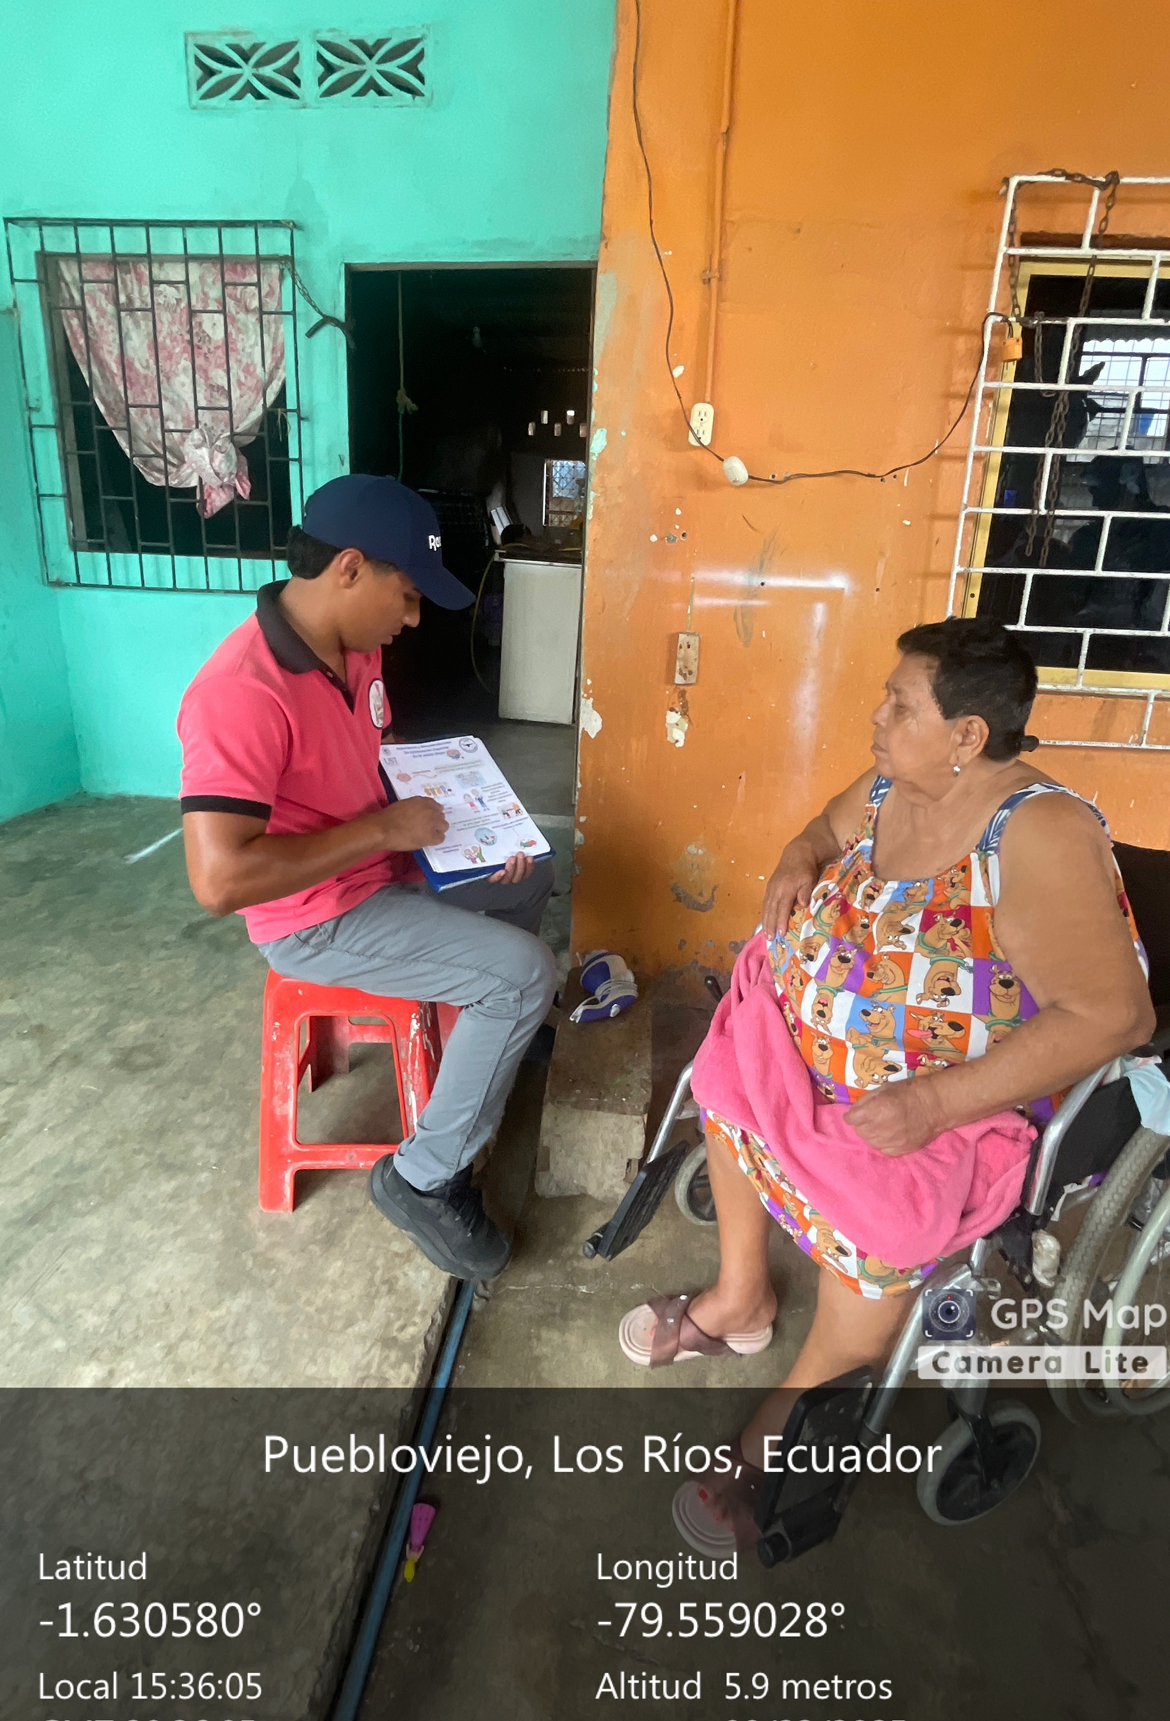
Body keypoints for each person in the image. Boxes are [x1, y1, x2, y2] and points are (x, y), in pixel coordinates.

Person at [616, 617, 1153, 1549]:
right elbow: (821, 831)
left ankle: (779, 1428)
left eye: (899, 704)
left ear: (967, 735)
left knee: (885, 1221)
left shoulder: (1040, 833)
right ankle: (741, 1298)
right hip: (807, 1055)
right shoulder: (890, 785)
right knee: (732, 1067)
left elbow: (1116, 1017)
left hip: (937, 1105)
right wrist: (797, 859)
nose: (877, 716)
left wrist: (933, 1102)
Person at [178, 473, 558, 1282]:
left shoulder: (358, 647)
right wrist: (383, 830)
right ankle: (424, 1178)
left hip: (382, 866)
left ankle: (490, 1034)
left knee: (526, 876)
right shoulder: (239, 692)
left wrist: (456, 808)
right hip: (315, 917)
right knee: (525, 973)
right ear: (349, 568)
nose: (412, 618)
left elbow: (364, 756)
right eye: (408, 595)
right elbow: (217, 879)